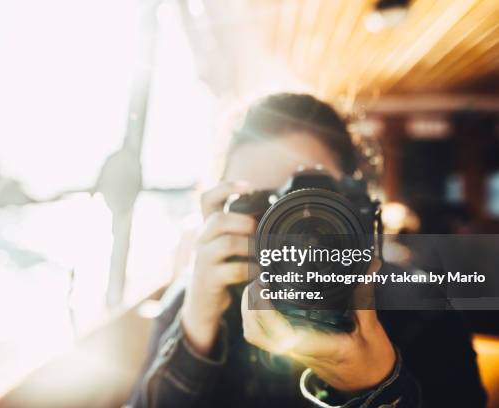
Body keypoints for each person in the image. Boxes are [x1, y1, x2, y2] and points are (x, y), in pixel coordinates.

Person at [129, 93, 486, 407]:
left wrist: (376, 386)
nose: (288, 225)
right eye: (265, 202)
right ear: (224, 211)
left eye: (311, 201)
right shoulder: (196, 300)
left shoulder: (423, 304)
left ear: (355, 205)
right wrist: (195, 331)